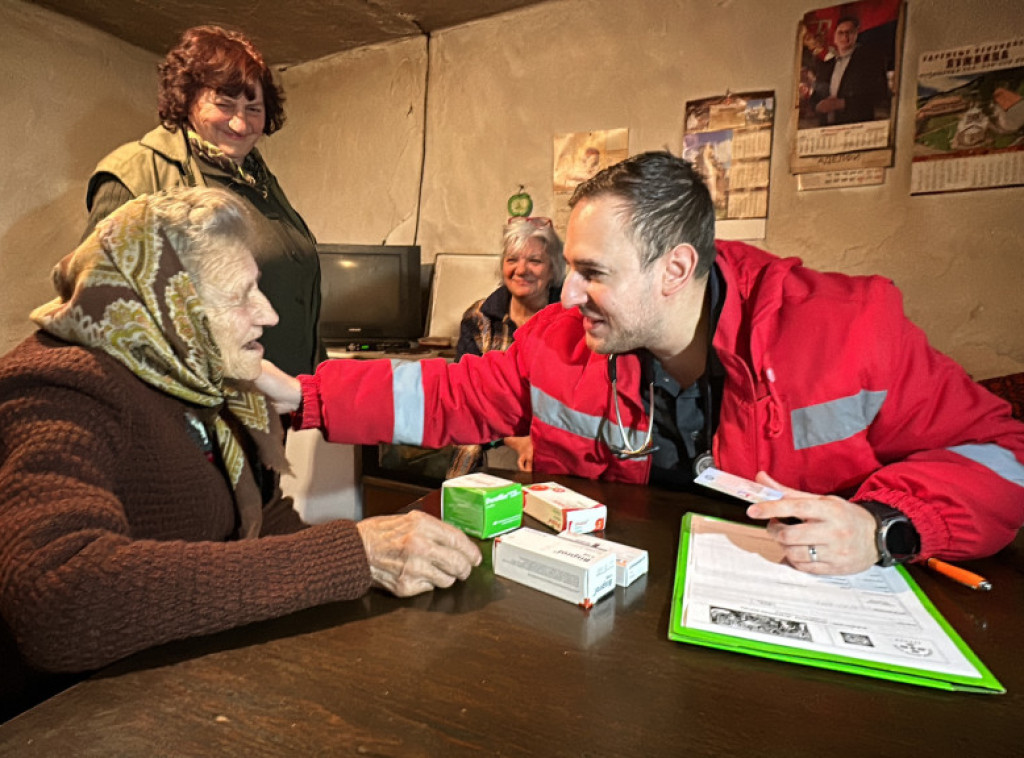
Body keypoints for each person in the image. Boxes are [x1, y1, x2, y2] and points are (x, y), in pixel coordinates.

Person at [258, 150, 1024, 580]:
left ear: (676, 268)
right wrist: (299, 396)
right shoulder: (562, 339)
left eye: (593, 272)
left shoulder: (853, 330)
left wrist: (886, 526)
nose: (569, 293)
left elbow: (1003, 457)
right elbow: (454, 392)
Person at [0, 189, 480, 717]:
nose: (269, 315)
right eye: (240, 296)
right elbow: (60, 602)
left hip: (192, 687)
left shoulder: (205, 379)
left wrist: (376, 566)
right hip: (77, 716)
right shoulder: (57, 390)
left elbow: (262, 521)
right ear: (167, 305)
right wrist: (354, 555)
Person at [83, 25, 322, 377]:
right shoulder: (137, 173)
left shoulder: (259, 180)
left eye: (254, 108)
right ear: (187, 99)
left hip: (285, 400)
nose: (241, 123)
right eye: (224, 104)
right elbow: (98, 310)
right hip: (207, 412)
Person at [449, 216, 564, 475]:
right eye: (512, 259)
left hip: (554, 449)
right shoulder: (479, 318)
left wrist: (537, 443)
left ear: (553, 269)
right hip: (483, 446)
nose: (521, 269)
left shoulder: (572, 318)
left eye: (534, 260)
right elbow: (466, 398)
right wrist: (517, 441)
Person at [811, 16, 890, 126]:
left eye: (849, 32)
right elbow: (816, 96)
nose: (845, 36)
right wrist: (818, 105)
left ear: (856, 35)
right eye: (841, 32)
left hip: (857, 129)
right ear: (834, 37)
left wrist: (842, 104)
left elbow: (880, 95)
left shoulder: (870, 62)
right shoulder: (826, 66)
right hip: (826, 131)